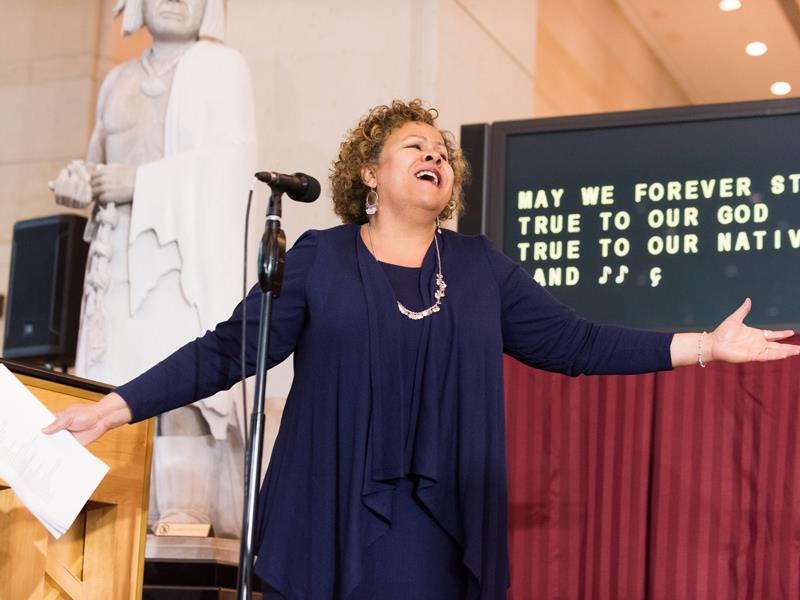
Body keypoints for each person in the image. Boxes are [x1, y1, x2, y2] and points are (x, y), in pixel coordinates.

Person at [45, 100, 800, 599]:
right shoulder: (317, 257)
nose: (435, 154)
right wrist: (113, 407)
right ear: (371, 174)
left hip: (434, 538)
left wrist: (705, 346)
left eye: (442, 150)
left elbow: (578, 343)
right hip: (324, 523)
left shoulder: (480, 270)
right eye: (415, 146)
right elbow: (227, 352)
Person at [48, 0, 256, 537]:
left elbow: (233, 162)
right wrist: (82, 182)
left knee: (180, 377)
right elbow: (99, 162)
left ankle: (185, 507)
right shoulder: (116, 79)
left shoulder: (222, 67)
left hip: (180, 260)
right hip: (117, 258)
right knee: (109, 380)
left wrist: (141, 183)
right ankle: (105, 511)